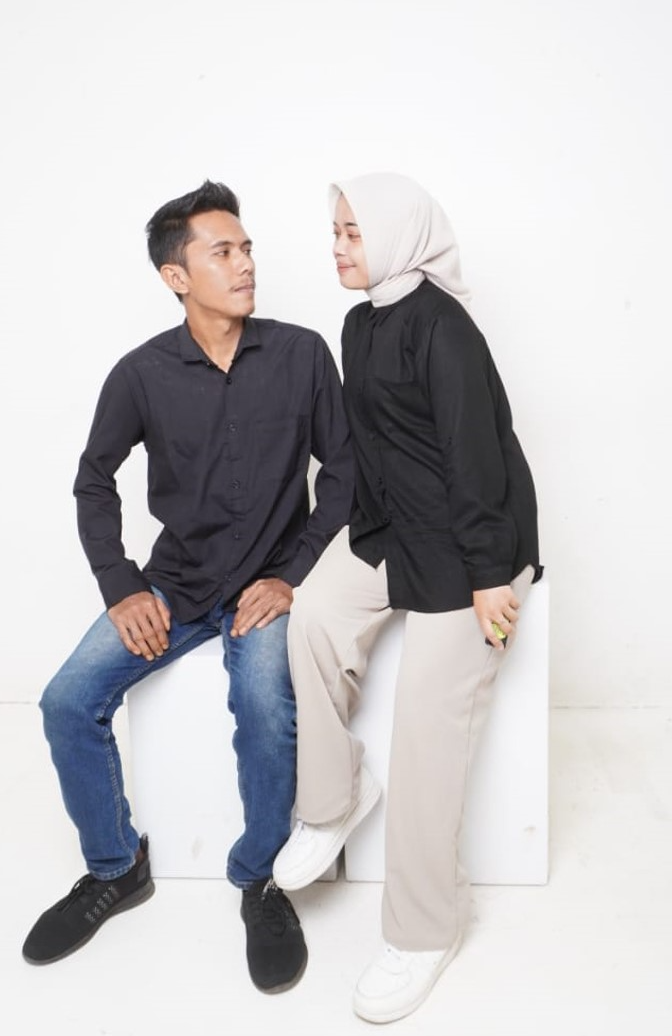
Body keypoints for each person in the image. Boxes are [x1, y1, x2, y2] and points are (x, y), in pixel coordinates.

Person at [21, 179, 354, 994]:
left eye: (247, 248)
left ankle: (260, 879)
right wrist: (121, 586)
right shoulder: (140, 374)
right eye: (223, 251)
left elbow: (345, 471)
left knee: (266, 707)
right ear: (177, 275)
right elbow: (93, 480)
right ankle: (115, 866)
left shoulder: (303, 353)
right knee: (67, 700)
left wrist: (292, 573)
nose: (245, 264)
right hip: (174, 583)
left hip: (265, 586)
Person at [272, 172, 543, 1022]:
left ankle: (425, 930)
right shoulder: (359, 324)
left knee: (425, 723)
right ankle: (334, 797)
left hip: (472, 545)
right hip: (396, 529)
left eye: (353, 232)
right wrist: (348, 544)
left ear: (396, 235)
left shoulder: (443, 327)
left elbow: (477, 458)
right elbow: (374, 450)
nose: (338, 246)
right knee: (314, 617)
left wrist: (491, 574)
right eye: (336, 231)